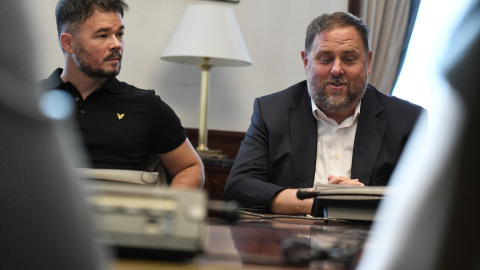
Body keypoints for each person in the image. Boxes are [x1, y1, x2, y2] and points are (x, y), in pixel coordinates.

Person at [224, 11, 424, 214]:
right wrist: (318, 202)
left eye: (348, 59)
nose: (337, 70)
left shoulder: (408, 122)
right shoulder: (271, 113)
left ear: (368, 61)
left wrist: (361, 201)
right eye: (325, 59)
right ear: (306, 61)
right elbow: (239, 187)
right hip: (290, 240)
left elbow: (425, 198)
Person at [40, 0, 204, 188]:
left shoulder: (146, 105)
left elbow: (191, 167)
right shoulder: (28, 101)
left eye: (119, 34)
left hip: (126, 214)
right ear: (68, 43)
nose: (116, 44)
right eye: (102, 36)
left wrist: (163, 214)